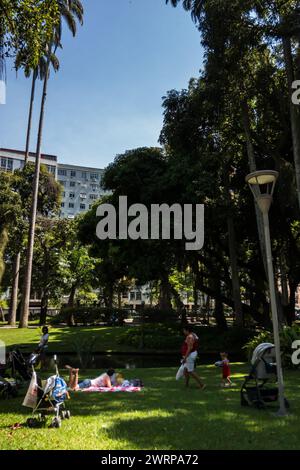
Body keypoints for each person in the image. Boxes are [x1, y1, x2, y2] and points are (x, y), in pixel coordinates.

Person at [181, 325, 206, 390]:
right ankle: (186, 385)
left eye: (184, 330)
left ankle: (202, 385)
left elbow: (190, 348)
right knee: (185, 370)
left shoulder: (190, 337)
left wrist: (185, 358)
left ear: (187, 330)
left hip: (189, 355)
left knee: (190, 371)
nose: (183, 331)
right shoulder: (193, 334)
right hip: (191, 354)